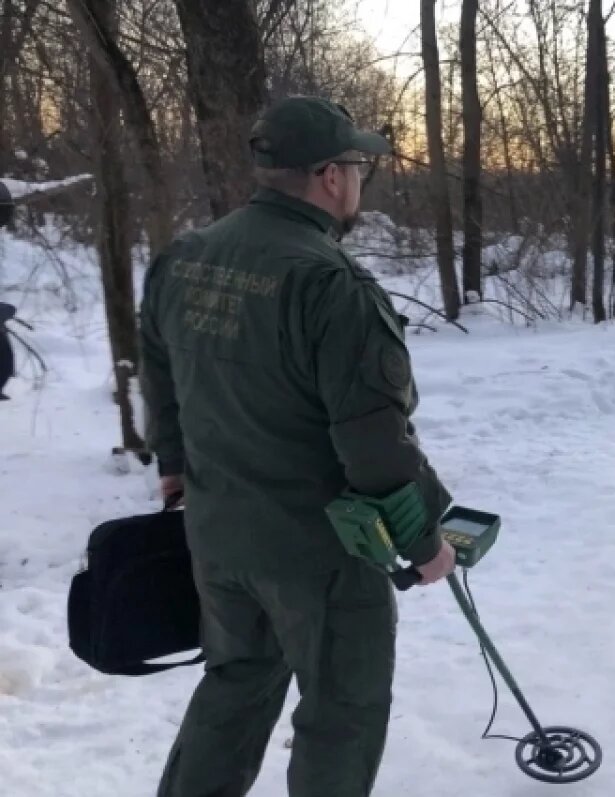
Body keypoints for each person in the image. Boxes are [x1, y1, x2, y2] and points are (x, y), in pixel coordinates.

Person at [139, 96, 458, 797]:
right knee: (343, 708)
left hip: (219, 535)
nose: (359, 180)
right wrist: (424, 539)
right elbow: (375, 443)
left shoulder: (184, 258)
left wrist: (173, 469)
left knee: (236, 683)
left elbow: (160, 377)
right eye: (356, 166)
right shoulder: (332, 285)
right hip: (320, 555)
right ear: (328, 175)